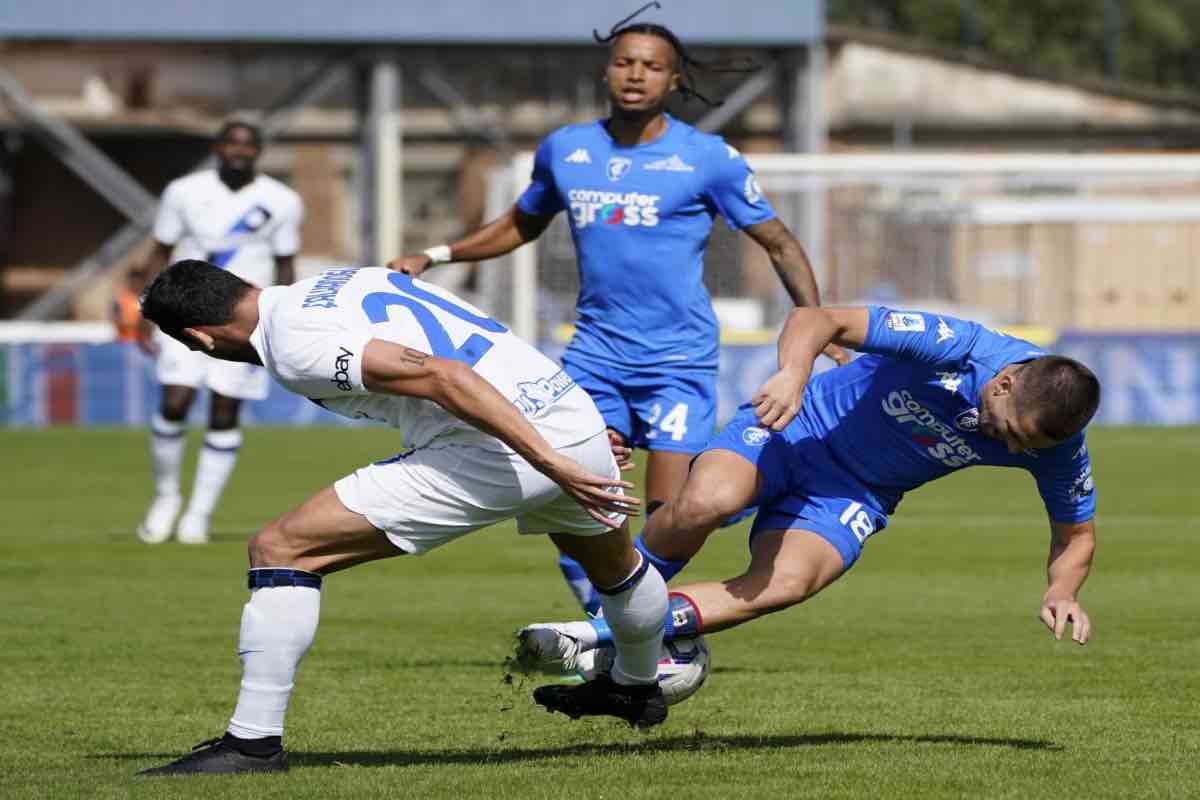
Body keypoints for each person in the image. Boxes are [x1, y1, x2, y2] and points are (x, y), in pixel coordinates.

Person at [136, 260, 671, 776]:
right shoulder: (345, 280)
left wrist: (547, 458)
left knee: (281, 549)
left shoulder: (294, 344)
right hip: (567, 414)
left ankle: (251, 745)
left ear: (200, 338)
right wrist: (564, 436)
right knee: (617, 568)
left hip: (502, 448)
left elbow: (446, 375)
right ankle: (634, 685)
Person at [389, 4, 842, 614]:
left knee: (673, 514)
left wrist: (813, 326)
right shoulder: (568, 150)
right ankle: (617, 628)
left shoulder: (708, 158)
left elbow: (779, 242)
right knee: (578, 496)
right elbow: (520, 224)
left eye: (651, 67)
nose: (636, 74)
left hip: (678, 358)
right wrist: (437, 253)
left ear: (674, 79)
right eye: (624, 62)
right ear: (606, 71)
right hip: (595, 357)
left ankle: (626, 621)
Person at [515, 305, 1100, 683]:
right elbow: (817, 318)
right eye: (1013, 435)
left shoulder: (1055, 446)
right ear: (1003, 384)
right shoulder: (962, 345)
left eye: (1030, 447)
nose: (1018, 451)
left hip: (855, 493)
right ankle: (606, 617)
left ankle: (593, 636)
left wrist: (1062, 589)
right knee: (702, 504)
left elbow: (1076, 533)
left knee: (788, 583)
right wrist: (793, 374)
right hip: (794, 427)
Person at [137, 120, 304, 545]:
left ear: (259, 151)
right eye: (231, 143)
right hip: (182, 313)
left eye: (248, 145)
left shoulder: (281, 201)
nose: (239, 151)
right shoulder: (183, 192)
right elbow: (160, 250)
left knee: (224, 412)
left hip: (244, 321)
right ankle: (166, 498)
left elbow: (286, 263)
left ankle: (198, 514)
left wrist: (286, 319)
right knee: (175, 402)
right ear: (217, 147)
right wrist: (145, 312)